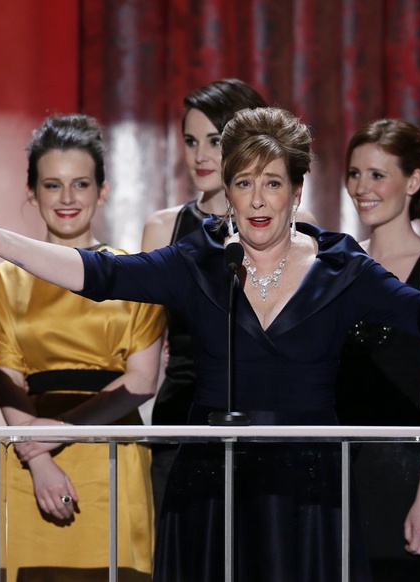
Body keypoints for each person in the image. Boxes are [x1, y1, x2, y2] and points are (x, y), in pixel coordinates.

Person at [0, 106, 420, 581]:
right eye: (243, 184)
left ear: (297, 192)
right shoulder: (198, 261)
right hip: (213, 485)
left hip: (309, 489)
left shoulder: (341, 267)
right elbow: (100, 275)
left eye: (272, 184)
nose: (257, 199)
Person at [0, 114, 165, 581]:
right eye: (52, 185)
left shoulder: (136, 274)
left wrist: (62, 430)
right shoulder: (5, 280)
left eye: (81, 184)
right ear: (32, 192)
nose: (67, 199)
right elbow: (6, 379)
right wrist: (41, 457)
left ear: (102, 191)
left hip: (112, 455)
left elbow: (143, 380)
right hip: (31, 460)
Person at [141, 78, 316, 521]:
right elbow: (144, 354)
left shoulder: (300, 225)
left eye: (214, 141)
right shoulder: (163, 228)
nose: (200, 155)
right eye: (190, 140)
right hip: (183, 420)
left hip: (270, 424)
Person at [335, 119, 420, 581]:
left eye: (377, 174)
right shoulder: (339, 263)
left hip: (401, 478)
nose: (361, 187)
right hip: (335, 471)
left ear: (413, 180)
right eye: (354, 173)